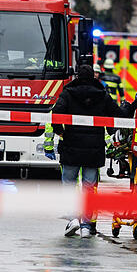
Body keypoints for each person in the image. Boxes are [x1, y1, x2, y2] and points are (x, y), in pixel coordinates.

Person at [52, 64, 124, 238]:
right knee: (89, 189)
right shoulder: (102, 95)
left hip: (71, 147)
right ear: (94, 77)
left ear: (77, 76)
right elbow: (117, 113)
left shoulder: (68, 93)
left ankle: (73, 218)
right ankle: (86, 225)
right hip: (94, 149)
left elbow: (56, 113)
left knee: (69, 184)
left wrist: (60, 131)